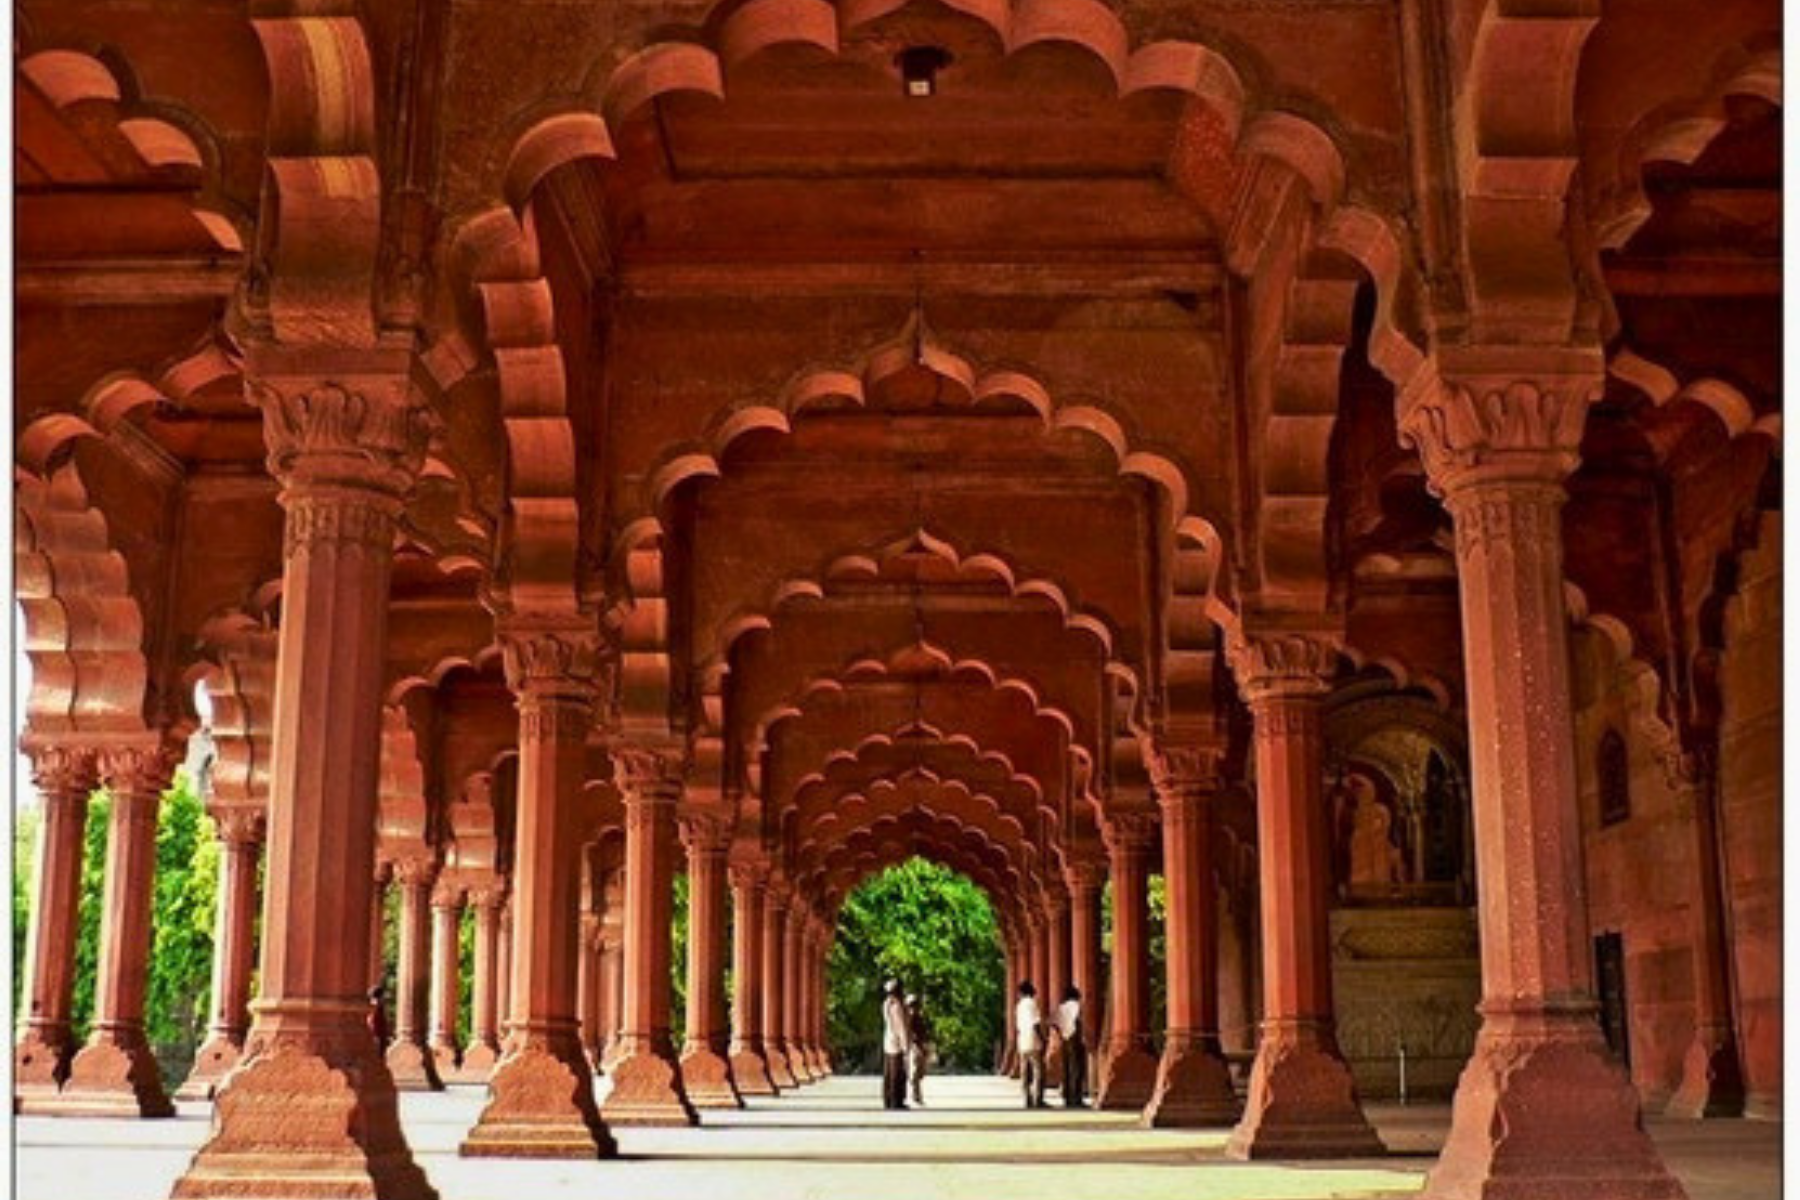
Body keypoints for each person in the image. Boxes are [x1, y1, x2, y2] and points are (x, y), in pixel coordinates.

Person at [1014, 980, 1046, 1109]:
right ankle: (1038, 1099)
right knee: (1038, 1070)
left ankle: (1027, 1099)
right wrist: (1042, 1038)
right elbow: (1035, 1023)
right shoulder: (1031, 1003)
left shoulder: (1019, 1005)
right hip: (1032, 1038)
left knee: (1025, 1071)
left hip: (1022, 1039)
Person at [881, 978, 911, 1110]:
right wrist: (906, 1046)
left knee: (889, 1073)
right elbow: (901, 1027)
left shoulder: (886, 1003)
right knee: (897, 1073)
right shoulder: (897, 1006)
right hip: (897, 1042)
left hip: (888, 1040)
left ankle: (888, 1099)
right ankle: (896, 1100)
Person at [1055, 984, 1086, 1107]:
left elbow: (1054, 1022)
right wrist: (1079, 1036)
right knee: (1077, 1069)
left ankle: (1067, 1097)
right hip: (1074, 1039)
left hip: (1064, 1039)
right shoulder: (1076, 1005)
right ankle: (1076, 1098)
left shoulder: (1061, 1007)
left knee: (1067, 1069)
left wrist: (1061, 1032)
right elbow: (1077, 1021)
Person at [905, 994, 933, 1106]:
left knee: (921, 1073)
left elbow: (925, 1033)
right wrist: (913, 1046)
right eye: (912, 1005)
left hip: (921, 1046)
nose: (914, 1007)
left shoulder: (920, 1017)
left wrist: (927, 1046)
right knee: (915, 1072)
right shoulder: (909, 1018)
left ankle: (916, 1094)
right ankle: (916, 1096)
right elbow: (909, 1034)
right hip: (915, 1047)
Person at [366, 982, 389, 1051]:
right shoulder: (376, 1006)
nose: (384, 998)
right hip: (378, 1037)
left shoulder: (376, 1006)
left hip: (379, 1036)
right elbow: (373, 1022)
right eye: (383, 996)